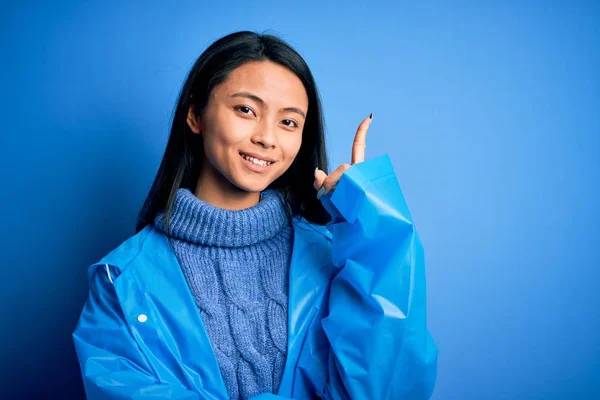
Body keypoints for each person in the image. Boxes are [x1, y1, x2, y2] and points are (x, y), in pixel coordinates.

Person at [72, 30, 438, 400]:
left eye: (288, 122)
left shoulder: (335, 256)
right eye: (246, 110)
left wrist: (373, 231)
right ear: (196, 115)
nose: (267, 138)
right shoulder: (121, 280)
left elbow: (390, 389)